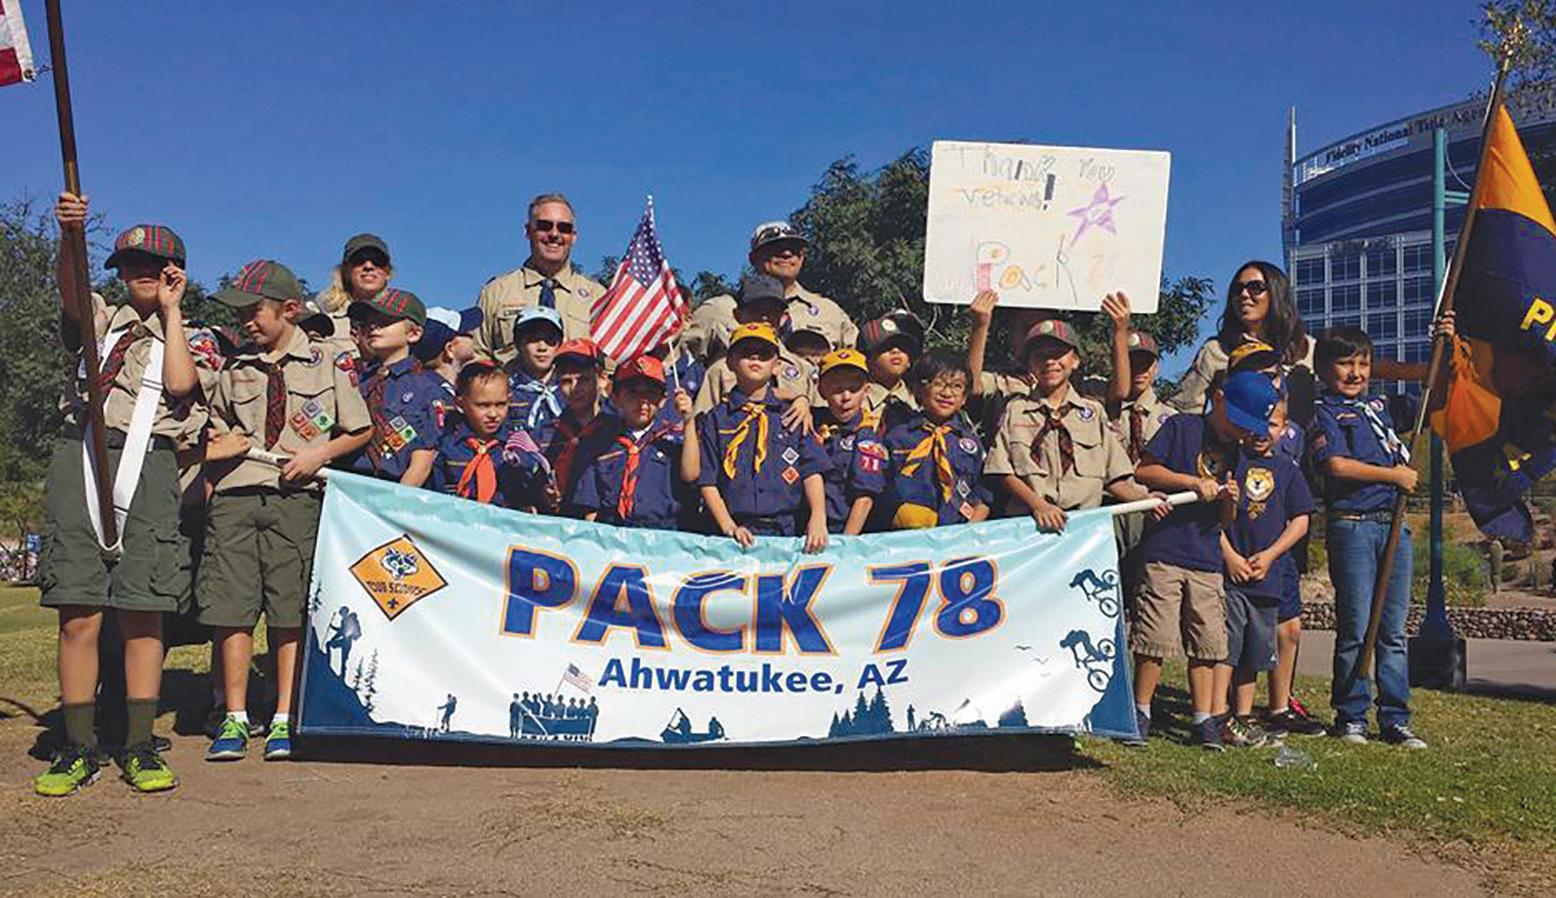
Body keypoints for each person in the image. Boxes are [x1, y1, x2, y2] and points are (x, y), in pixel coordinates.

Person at [35, 196, 221, 796]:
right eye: (131, 264)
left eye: (156, 265)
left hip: (151, 465)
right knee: (79, 609)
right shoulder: (101, 317)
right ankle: (77, 746)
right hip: (83, 456)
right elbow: (70, 297)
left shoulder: (195, 335)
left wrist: (172, 311)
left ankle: (139, 743)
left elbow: (181, 385)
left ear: (175, 272)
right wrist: (70, 239)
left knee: (143, 609)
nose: (143, 272)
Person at [198, 260, 373, 763]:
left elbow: (359, 429)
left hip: (297, 498)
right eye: (239, 313)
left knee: (289, 609)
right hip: (236, 496)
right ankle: (234, 715)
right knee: (232, 610)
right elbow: (214, 429)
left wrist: (318, 455)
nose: (245, 322)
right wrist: (221, 448)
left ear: (289, 309)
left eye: (254, 311)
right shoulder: (234, 367)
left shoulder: (326, 361)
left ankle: (283, 715)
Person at [1132, 370, 1278, 750]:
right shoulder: (1181, 428)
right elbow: (1144, 470)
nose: (1242, 433)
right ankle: (1140, 710)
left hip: (1207, 559)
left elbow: (1227, 520)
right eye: (1238, 422)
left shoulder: (1238, 454)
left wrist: (1229, 502)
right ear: (1218, 399)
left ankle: (1204, 718)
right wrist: (1191, 483)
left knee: (1208, 642)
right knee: (1155, 637)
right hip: (1166, 551)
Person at [1308, 326, 1426, 749]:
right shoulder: (1321, 411)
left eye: (1363, 363)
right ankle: (1351, 715)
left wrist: (1443, 345)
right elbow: (1335, 465)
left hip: (1394, 525)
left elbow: (1436, 397)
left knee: (1393, 630)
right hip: (1353, 523)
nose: (1355, 373)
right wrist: (1393, 475)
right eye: (1345, 363)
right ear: (1324, 368)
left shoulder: (1382, 406)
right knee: (1357, 626)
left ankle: (1395, 718)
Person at [984, 320, 1149, 532]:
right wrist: (1039, 506)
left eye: (1058, 354)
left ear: (1075, 360)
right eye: (1040, 356)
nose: (1049, 361)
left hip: (1083, 529)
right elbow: (1001, 470)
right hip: (1030, 527)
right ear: (1030, 365)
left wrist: (1145, 498)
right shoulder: (1015, 410)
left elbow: (1114, 478)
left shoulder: (1093, 413)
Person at [1215, 404, 1314, 748]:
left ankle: (1243, 716)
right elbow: (1211, 517)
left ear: (1284, 428)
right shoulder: (1229, 461)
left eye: (1271, 424)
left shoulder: (1288, 470)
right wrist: (1230, 557)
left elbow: (1301, 520)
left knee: (1255, 650)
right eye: (1255, 422)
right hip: (1231, 573)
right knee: (1227, 647)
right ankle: (1218, 713)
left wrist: (1271, 556)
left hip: (1267, 577)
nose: (1261, 431)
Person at [689, 322, 830, 550]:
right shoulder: (717, 419)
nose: (755, 357)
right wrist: (729, 527)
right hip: (732, 534)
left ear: (777, 366)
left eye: (764, 354)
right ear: (730, 362)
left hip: (787, 531)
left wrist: (818, 516)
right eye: (745, 352)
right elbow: (708, 480)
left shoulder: (794, 414)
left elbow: (811, 470)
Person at [682, 220, 857, 361]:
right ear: (753, 258)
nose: (786, 254)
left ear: (802, 258)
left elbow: (858, 367)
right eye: (776, 248)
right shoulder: (717, 310)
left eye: (794, 249)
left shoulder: (830, 312)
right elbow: (680, 364)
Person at [1173, 261, 1315, 421]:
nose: (1244, 295)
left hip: (1294, 435)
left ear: (1277, 293)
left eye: (1256, 287)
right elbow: (1183, 410)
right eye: (1237, 289)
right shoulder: (1215, 350)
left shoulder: (1308, 348)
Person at [473, 193, 605, 362]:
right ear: (528, 231)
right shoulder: (496, 292)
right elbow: (477, 357)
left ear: (573, 237)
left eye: (564, 228)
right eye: (544, 226)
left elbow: (610, 365)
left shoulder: (598, 297)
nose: (554, 234)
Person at [572, 356, 697, 530]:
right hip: (612, 533)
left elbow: (691, 475)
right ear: (615, 398)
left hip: (663, 534)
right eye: (632, 393)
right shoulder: (600, 442)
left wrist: (689, 421)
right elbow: (590, 507)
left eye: (651, 394)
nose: (642, 401)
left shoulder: (674, 439)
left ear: (663, 400)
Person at [877, 350, 991, 529]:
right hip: (905, 534)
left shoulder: (971, 443)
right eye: (938, 384)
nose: (947, 393)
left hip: (958, 533)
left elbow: (983, 492)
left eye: (957, 386)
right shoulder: (897, 437)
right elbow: (879, 487)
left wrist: (972, 526)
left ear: (964, 398)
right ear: (919, 390)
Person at [345, 288, 443, 486]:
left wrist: (395, 500)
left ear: (413, 334)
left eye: (385, 321)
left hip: (392, 487)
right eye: (368, 322)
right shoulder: (356, 380)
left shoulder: (426, 389)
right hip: (343, 483)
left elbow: (421, 464)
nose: (373, 327)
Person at [693, 275, 819, 428]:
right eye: (756, 309)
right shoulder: (720, 371)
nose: (764, 317)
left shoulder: (803, 370)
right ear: (737, 315)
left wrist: (802, 400)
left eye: (773, 310)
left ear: (784, 317)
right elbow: (701, 427)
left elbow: (820, 424)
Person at [426, 362, 548, 508]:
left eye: (501, 404)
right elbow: (435, 497)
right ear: (460, 404)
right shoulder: (447, 447)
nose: (493, 414)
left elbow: (534, 493)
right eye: (483, 405)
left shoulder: (519, 445)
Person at [812, 349, 888, 533]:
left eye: (854, 389)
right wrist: (799, 399)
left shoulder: (866, 437)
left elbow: (865, 498)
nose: (846, 397)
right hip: (805, 527)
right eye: (837, 389)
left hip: (843, 529)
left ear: (866, 391)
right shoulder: (812, 421)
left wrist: (846, 542)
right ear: (821, 390)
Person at [537, 338, 610, 508]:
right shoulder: (548, 434)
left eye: (583, 380)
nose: (575, 388)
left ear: (601, 379)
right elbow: (538, 485)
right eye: (566, 381)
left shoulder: (617, 430)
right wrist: (544, 493)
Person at [316, 233, 394, 351]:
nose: (368, 266)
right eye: (359, 260)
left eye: (377, 261)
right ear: (346, 270)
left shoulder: (401, 322)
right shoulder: (322, 319)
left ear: (388, 272)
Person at [504, 306, 565, 437]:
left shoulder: (570, 388)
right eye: (533, 339)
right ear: (519, 344)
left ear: (559, 344)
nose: (542, 347)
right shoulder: (506, 391)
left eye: (550, 340)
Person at [857, 314, 921, 432]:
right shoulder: (854, 401)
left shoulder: (921, 400)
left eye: (903, 347)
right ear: (867, 358)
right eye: (885, 347)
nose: (896, 351)